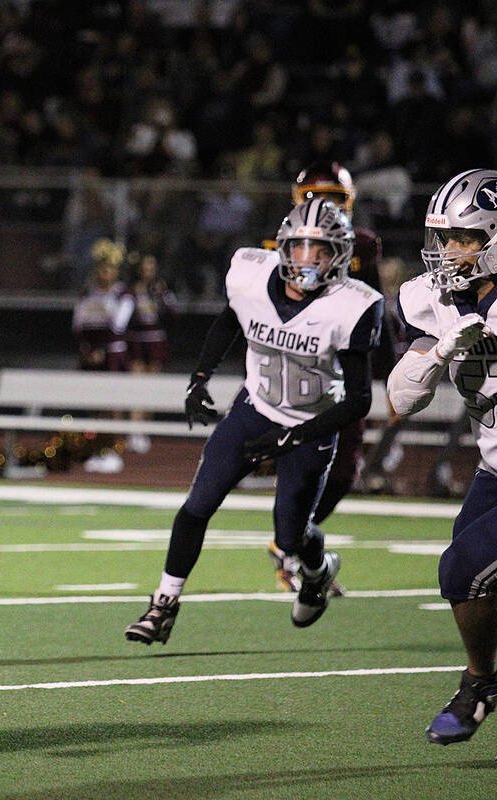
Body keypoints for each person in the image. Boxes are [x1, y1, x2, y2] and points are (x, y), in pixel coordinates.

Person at [125, 198, 383, 645]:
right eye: (299, 247)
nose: (307, 260)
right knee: (197, 505)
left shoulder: (353, 305)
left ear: (339, 256)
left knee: (291, 537)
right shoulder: (251, 276)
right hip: (255, 409)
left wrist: (294, 437)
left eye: (320, 250)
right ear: (283, 247)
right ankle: (163, 604)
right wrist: (199, 378)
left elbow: (359, 400)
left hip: (312, 425)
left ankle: (318, 570)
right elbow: (230, 320)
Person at [385, 168, 497, 746]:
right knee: (470, 575)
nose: (450, 250)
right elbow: (401, 399)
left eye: (465, 237)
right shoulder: (439, 300)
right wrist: (440, 352)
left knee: (463, 571)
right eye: (445, 237)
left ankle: (479, 685)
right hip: (493, 467)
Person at [267, 161, 384, 591]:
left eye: (334, 200)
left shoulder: (361, 245)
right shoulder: (280, 243)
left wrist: (392, 373)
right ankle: (293, 550)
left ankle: (293, 545)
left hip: (343, 366)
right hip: (296, 364)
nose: (326, 208)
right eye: (317, 198)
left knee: (343, 466)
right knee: (303, 463)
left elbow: (376, 309)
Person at [72, 237, 133, 473]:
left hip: (112, 356)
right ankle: (96, 449)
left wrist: (101, 349)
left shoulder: (122, 295)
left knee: (112, 405)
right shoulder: (87, 293)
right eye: (100, 268)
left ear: (116, 271)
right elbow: (79, 324)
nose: (103, 273)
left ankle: (113, 451)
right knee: (93, 406)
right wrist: (89, 350)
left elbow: (117, 325)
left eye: (108, 269)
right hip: (90, 355)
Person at [124, 252, 177, 454]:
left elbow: (173, 314)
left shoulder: (159, 290)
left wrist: (164, 295)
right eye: (144, 268)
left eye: (151, 268)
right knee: (136, 386)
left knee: (150, 388)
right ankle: (134, 431)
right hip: (136, 340)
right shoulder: (131, 291)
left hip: (155, 341)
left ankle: (144, 430)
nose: (148, 272)